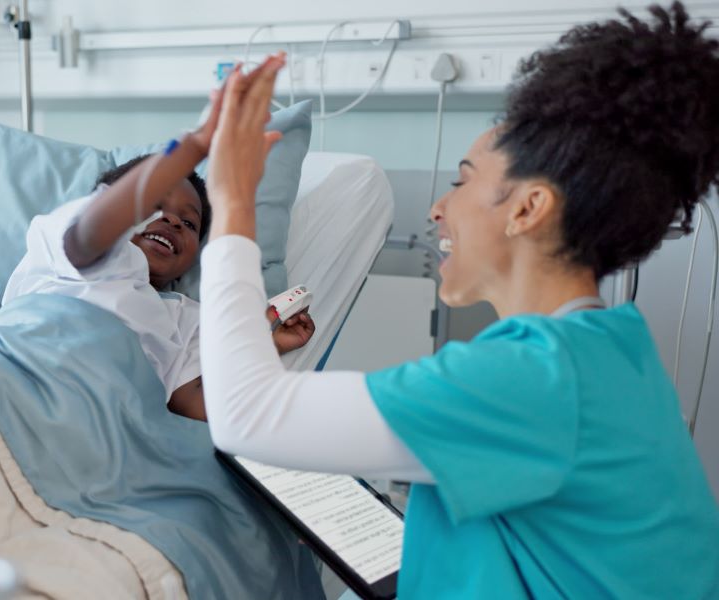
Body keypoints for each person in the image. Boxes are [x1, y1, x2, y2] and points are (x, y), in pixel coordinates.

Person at [198, 3, 719, 599]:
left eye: (463, 180)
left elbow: (245, 416)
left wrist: (234, 203)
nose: (437, 208)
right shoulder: (612, 354)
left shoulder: (533, 378)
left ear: (528, 209)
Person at [2, 113, 315, 422]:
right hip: (8, 376)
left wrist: (265, 346)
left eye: (190, 222)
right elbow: (88, 236)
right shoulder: (76, 246)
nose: (173, 220)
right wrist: (186, 152)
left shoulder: (187, 319)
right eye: (156, 205)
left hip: (90, 424)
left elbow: (196, 404)